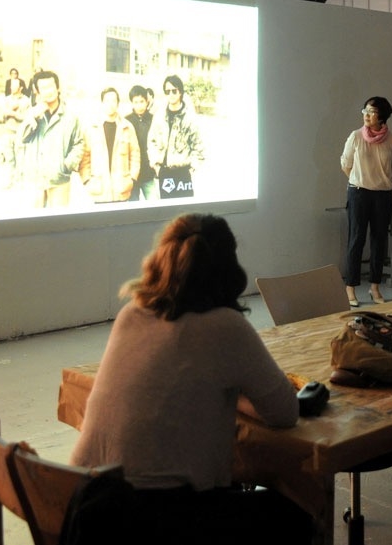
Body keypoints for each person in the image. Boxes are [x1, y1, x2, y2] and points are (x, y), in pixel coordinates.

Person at [69, 214, 313, 544]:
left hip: (88, 511)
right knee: (294, 519)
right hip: (148, 520)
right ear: (229, 269)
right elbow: (285, 412)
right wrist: (239, 396)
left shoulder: (132, 314)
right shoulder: (226, 327)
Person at [340, 96, 392, 306]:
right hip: (358, 193)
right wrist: (361, 180)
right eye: (364, 110)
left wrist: (378, 183)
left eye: (371, 111)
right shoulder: (356, 137)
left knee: (379, 240)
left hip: (383, 195)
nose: (366, 115)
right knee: (356, 239)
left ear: (382, 117)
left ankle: (375, 287)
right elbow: (345, 165)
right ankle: (350, 288)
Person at [17, 70, 85, 207]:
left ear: (58, 88)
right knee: (34, 224)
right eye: (43, 88)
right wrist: (34, 117)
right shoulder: (33, 113)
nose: (48, 91)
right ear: (37, 91)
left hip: (59, 177)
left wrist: (67, 165)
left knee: (58, 222)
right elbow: (22, 138)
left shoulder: (70, 117)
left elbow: (79, 143)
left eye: (51, 86)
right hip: (35, 178)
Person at [79, 87, 141, 203]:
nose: (110, 104)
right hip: (99, 190)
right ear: (102, 103)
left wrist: (132, 178)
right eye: (107, 101)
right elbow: (85, 156)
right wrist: (87, 180)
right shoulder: (92, 128)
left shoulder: (127, 127)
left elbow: (135, 154)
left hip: (121, 189)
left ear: (118, 103)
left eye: (113, 100)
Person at [148, 75, 204, 199]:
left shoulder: (190, 118)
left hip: (183, 172)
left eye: (174, 91)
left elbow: (198, 146)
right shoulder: (159, 116)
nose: (171, 94)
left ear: (180, 92)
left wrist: (192, 168)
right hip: (164, 172)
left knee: (185, 213)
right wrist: (155, 165)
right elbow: (151, 141)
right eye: (167, 91)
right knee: (167, 212)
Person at [125, 84, 157, 201]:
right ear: (132, 103)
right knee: (133, 208)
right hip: (132, 174)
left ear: (147, 101)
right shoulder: (126, 121)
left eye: (142, 101)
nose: (139, 105)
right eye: (136, 102)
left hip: (148, 172)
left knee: (154, 204)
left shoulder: (154, 119)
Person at [2, 69, 28, 186]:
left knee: (20, 158)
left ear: (20, 88)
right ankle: (10, 180)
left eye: (14, 86)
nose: (12, 88)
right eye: (11, 86)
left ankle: (20, 180)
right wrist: (8, 111)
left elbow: (27, 118)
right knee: (9, 157)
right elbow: (1, 115)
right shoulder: (7, 100)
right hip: (8, 132)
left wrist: (13, 114)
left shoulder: (26, 101)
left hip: (20, 133)